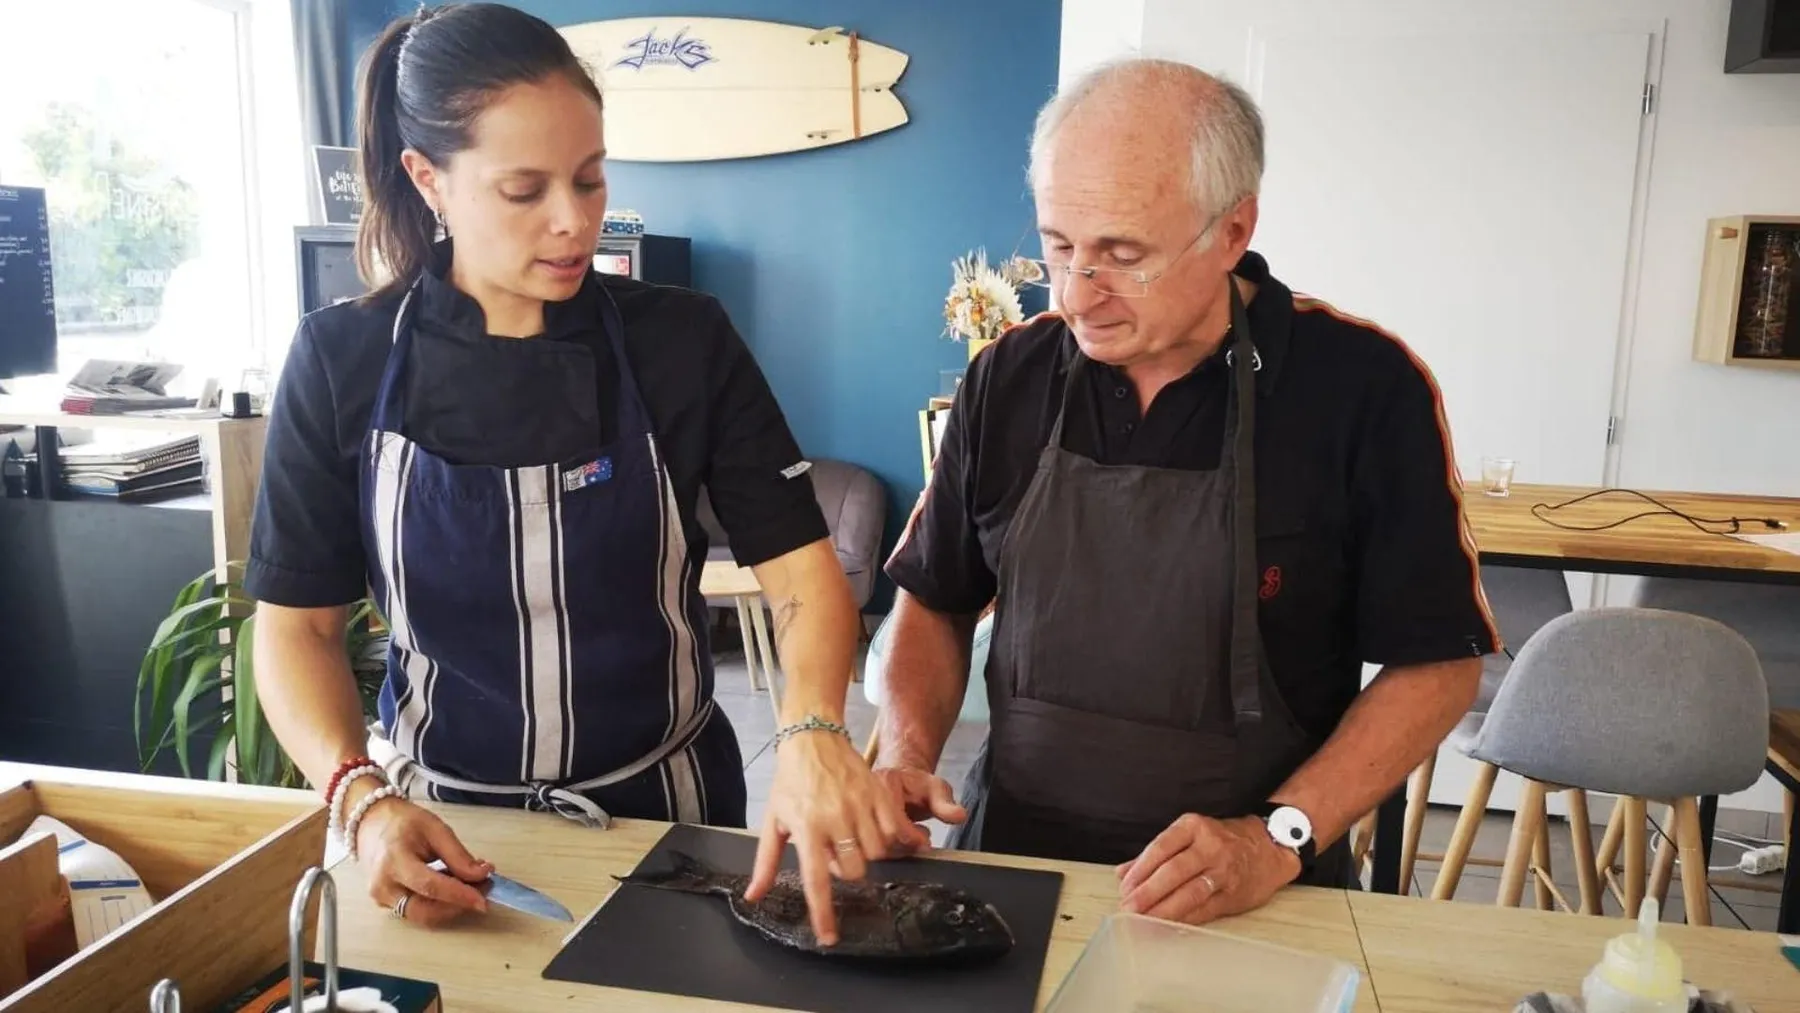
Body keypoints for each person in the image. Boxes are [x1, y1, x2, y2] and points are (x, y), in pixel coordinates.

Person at [245, 2, 907, 942]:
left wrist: (811, 729)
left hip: (672, 822)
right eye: (525, 190)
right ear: (429, 179)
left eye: (591, 179)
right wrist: (358, 794)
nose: (574, 221)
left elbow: (805, 577)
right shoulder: (339, 360)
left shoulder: (682, 342)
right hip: (444, 837)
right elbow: (298, 630)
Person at [873, 58, 1499, 924]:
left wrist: (1277, 836)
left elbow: (1437, 663)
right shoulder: (1009, 376)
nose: (1077, 295)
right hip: (1016, 864)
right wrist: (903, 756)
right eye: (1059, 247)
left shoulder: (1362, 388)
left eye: (1122, 256)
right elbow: (935, 598)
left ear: (1233, 230)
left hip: (1258, 892)